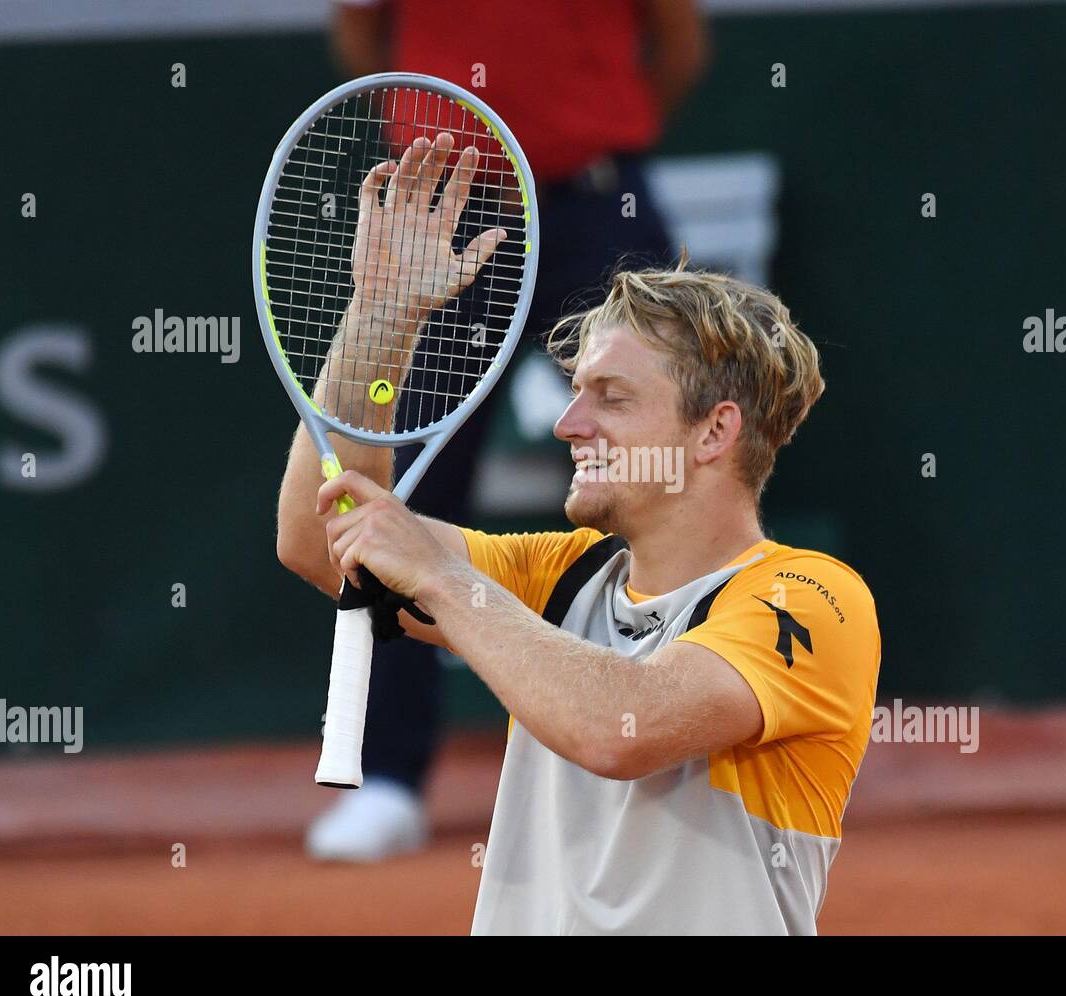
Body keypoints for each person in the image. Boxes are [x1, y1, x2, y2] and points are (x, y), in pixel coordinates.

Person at [276, 138, 881, 934]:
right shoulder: (561, 574)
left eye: (611, 397)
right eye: (574, 393)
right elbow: (325, 541)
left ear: (712, 433)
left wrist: (442, 580)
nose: (568, 424)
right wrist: (382, 329)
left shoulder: (811, 598)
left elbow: (620, 729)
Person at [306, 0, 709, 860]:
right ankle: (383, 781)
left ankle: (685, 745)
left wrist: (587, 133)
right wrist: (435, 140)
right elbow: (359, 29)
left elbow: (678, 41)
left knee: (669, 473)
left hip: (600, 205)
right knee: (390, 492)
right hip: (446, 216)